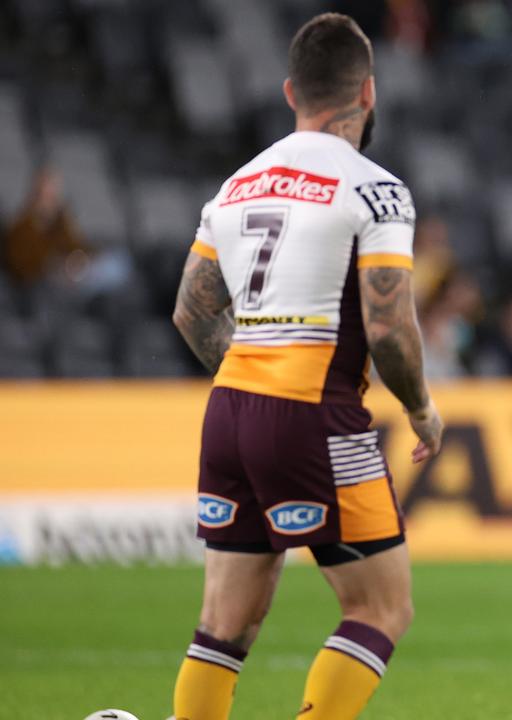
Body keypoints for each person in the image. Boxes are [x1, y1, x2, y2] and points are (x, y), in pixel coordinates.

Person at [168, 13, 443, 720]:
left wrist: (254, 381)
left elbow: (192, 314)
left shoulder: (236, 186)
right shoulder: (375, 189)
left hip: (230, 408)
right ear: (369, 93)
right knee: (382, 606)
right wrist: (418, 407)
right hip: (312, 408)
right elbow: (387, 327)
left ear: (291, 91)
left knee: (222, 627)